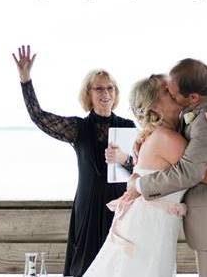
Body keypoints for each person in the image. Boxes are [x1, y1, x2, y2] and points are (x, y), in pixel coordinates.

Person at [83, 74, 207, 277]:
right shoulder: (166, 138)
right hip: (148, 227)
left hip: (150, 223)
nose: (174, 92)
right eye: (166, 91)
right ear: (154, 107)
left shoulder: (157, 135)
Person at [12, 45, 135, 277]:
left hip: (119, 206)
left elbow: (141, 170)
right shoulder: (78, 128)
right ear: (88, 93)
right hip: (87, 206)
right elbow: (39, 117)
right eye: (99, 88)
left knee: (118, 266)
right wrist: (25, 80)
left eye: (110, 88)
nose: (105, 93)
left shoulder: (127, 126)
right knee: (85, 266)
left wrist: (123, 159)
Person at [125, 59, 207, 277]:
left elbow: (193, 172)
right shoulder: (198, 107)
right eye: (168, 92)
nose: (173, 96)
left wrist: (139, 184)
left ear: (193, 97)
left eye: (172, 92)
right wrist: (147, 135)